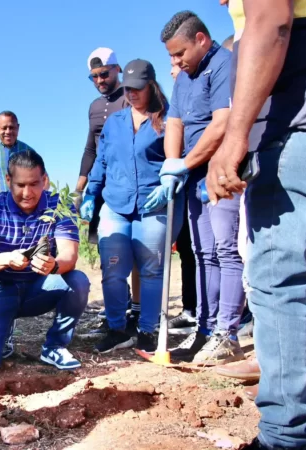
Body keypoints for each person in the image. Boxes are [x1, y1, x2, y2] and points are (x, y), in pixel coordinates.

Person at [206, 0, 306, 447]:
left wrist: (237, 136)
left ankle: (286, 438)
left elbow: (271, 18)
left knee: (281, 285)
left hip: (299, 126)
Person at [159, 11, 245, 365]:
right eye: (171, 56)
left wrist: (187, 162)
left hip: (220, 170)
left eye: (179, 54)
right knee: (202, 252)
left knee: (227, 250)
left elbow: (222, 123)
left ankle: (228, 333)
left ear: (201, 40)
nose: (176, 62)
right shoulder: (184, 78)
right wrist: (170, 163)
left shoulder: (224, 64)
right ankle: (206, 330)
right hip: (192, 176)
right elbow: (175, 122)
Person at [81, 59, 183, 353]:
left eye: (138, 88)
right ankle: (116, 328)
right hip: (116, 203)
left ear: (151, 85)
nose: (132, 94)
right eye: (127, 88)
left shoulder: (167, 119)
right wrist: (91, 193)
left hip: (153, 203)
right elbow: (102, 161)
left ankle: (148, 330)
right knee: (113, 269)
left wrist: (172, 183)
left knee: (151, 269)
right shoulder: (115, 122)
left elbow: (179, 158)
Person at [0, 149, 89, 374]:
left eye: (34, 184)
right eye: (20, 185)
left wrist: (54, 265)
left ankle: (54, 346)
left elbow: (69, 256)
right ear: (8, 180)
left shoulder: (58, 206)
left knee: (78, 281)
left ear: (45, 180)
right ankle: (4, 325)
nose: (27, 193)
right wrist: (6, 259)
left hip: (39, 286)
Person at [75, 47, 140, 333]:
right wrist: (81, 186)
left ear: (117, 69)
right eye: (94, 77)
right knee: (109, 251)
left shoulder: (131, 98)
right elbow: (91, 147)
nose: (100, 80)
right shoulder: (93, 107)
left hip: (129, 183)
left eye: (104, 73)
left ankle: (138, 310)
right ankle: (119, 309)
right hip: (101, 184)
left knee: (136, 251)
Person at [167, 62, 198, 336]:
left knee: (214, 252)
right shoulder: (180, 98)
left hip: (203, 175)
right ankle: (191, 311)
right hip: (185, 183)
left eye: (175, 63)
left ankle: (218, 317)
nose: (172, 70)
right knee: (188, 248)